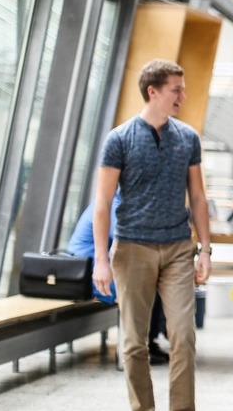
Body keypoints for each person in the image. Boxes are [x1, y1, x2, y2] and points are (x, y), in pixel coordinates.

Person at [92, 59, 212, 411]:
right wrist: (102, 259)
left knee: (184, 337)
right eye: (176, 89)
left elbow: (199, 197)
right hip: (132, 249)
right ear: (153, 91)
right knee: (133, 343)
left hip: (177, 247)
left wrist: (205, 249)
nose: (183, 96)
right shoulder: (119, 139)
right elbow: (102, 201)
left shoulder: (188, 138)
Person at [69, 194, 169, 365]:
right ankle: (144, 344)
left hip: (105, 271)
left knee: (156, 283)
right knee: (149, 286)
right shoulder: (113, 207)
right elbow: (129, 242)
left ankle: (150, 342)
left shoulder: (120, 204)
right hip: (88, 277)